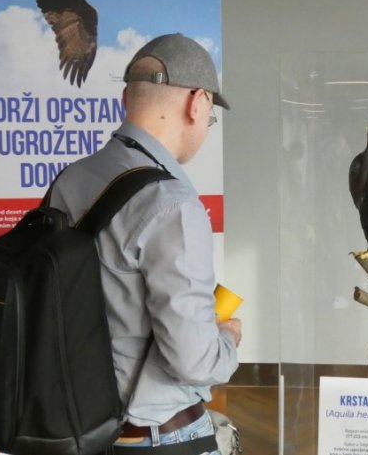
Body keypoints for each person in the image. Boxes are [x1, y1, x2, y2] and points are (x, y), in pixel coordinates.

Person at [47, 33, 240, 454]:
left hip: (81, 429)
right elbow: (194, 362)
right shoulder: (173, 204)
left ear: (126, 99)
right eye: (210, 115)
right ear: (197, 103)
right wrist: (227, 340)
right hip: (160, 436)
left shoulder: (70, 179)